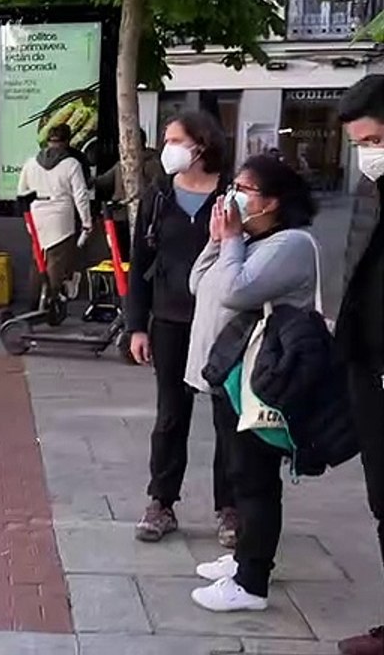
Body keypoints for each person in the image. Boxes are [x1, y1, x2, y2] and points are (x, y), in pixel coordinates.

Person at [178, 156, 320, 613]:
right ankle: (243, 557)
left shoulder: (290, 244)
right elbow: (202, 283)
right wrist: (219, 241)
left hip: (263, 379)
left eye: (245, 189)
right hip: (232, 376)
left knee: (256, 479)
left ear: (273, 201)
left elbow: (236, 290)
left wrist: (233, 240)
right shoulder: (251, 240)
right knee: (240, 473)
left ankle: (252, 581)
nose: (233, 196)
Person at [127, 111, 235, 546]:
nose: (167, 147)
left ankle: (229, 507)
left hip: (225, 321)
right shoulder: (157, 197)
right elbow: (140, 265)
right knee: (171, 415)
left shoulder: (232, 194)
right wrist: (136, 326)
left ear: (202, 145)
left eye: (175, 139)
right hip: (169, 320)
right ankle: (162, 502)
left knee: (228, 416)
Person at [333, 76, 384, 655]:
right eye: (359, 144)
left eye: (373, 140)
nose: (366, 155)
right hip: (367, 367)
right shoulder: (372, 191)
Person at [17, 123, 91, 302]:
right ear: (67, 141)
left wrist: (27, 219)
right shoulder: (71, 164)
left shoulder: (30, 163)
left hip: (36, 215)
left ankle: (34, 300)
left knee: (38, 259)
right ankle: (52, 299)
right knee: (56, 260)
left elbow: (21, 193)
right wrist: (86, 222)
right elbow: (81, 195)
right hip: (60, 216)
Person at [96, 129, 166, 257]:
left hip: (137, 216)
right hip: (123, 216)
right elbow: (103, 181)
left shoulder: (151, 163)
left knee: (126, 255)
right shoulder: (123, 163)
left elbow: (158, 188)